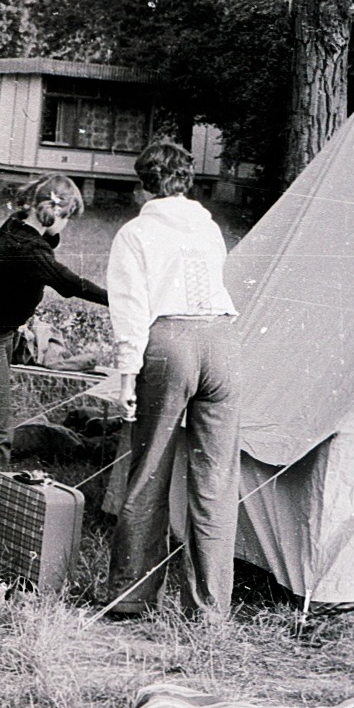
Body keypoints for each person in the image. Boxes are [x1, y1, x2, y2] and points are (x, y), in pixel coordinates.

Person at [104, 138, 240, 624]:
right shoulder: (208, 228)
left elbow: (131, 311)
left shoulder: (135, 234)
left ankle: (132, 597)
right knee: (216, 480)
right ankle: (209, 609)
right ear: (186, 182)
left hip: (170, 342)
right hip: (222, 342)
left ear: (144, 186)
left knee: (150, 469)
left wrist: (126, 379)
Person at [0, 174, 108, 519]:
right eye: (67, 216)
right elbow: (70, 283)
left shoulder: (15, 226)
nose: (67, 225)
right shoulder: (31, 250)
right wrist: (121, 301)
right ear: (51, 212)